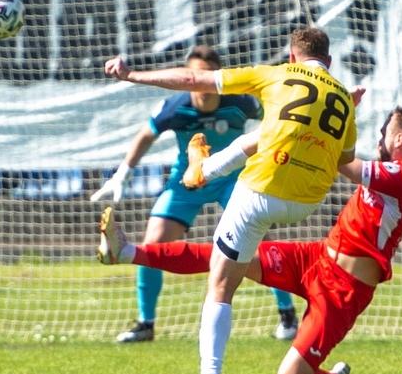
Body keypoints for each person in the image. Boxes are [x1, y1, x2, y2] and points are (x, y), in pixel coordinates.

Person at [99, 21, 402, 374]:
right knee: (224, 262)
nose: (377, 138)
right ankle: (128, 251)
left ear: (398, 141)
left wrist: (133, 75)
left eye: (382, 134)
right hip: (315, 257)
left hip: (344, 290)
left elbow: (346, 166)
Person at [103, 27, 357, 374]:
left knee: (220, 284)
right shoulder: (342, 96)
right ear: (330, 62)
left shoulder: (277, 75)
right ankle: (201, 173)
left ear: (291, 58)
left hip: (258, 192)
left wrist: (132, 74)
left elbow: (193, 79)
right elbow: (342, 161)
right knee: (265, 137)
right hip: (306, 202)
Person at [93, 46, 299, 342]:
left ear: (216, 77)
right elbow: (146, 134)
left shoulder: (241, 103)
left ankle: (287, 315)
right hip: (186, 182)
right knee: (153, 242)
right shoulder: (175, 106)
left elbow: (278, 119)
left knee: (258, 242)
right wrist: (123, 173)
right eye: (193, 75)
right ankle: (145, 323)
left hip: (232, 180)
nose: (197, 82)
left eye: (205, 75)